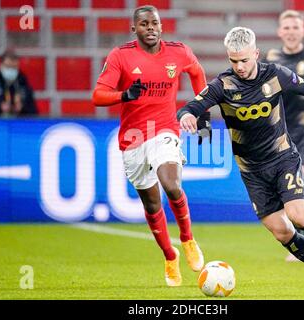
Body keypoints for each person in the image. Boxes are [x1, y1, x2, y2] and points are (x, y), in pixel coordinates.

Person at [178, 27, 304, 296]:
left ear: (256, 54)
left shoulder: (276, 75)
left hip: (282, 158)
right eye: (234, 61)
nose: (240, 66)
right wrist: (187, 116)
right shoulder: (222, 85)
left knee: (298, 215)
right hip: (252, 171)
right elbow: (191, 107)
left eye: (245, 60)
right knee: (282, 233)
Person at [92, 5, 207, 287]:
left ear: (161, 26)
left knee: (171, 184)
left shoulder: (178, 52)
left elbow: (197, 71)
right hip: (132, 139)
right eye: (144, 24)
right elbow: (97, 95)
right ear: (135, 29)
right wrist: (124, 95)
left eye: (154, 23)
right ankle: (170, 256)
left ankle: (188, 238)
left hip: (164, 129)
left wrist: (201, 110)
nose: (150, 28)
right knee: (152, 203)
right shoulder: (121, 55)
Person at [263, 10, 304, 262]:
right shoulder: (271, 58)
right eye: (286, 27)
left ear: (303, 31)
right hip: (281, 134)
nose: (290, 32)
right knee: (285, 190)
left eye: (294, 27)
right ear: (280, 32)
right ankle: (296, 240)